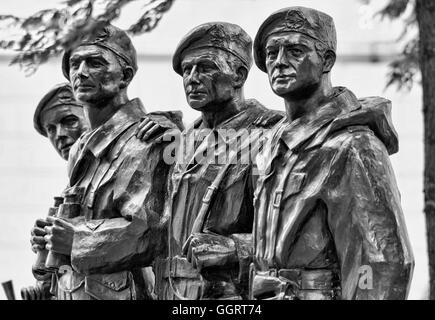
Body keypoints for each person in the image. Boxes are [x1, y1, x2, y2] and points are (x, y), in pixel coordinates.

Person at [250, 6, 414, 300]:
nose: (279, 62)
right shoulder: (272, 147)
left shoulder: (353, 146)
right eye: (271, 53)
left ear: (326, 60)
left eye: (295, 51)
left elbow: (383, 262)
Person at [31, 23, 182, 300]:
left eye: (95, 62)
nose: (81, 72)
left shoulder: (146, 137)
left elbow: (150, 232)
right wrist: (53, 237)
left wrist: (76, 239)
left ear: (124, 76)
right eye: (75, 64)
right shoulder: (81, 149)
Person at [154, 22, 284, 300]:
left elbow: (297, 233)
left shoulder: (271, 133)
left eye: (205, 67)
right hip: (172, 292)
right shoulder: (183, 139)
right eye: (187, 70)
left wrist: (235, 248)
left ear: (238, 75)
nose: (192, 78)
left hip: (232, 294)